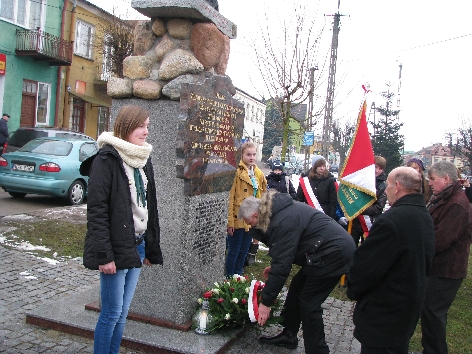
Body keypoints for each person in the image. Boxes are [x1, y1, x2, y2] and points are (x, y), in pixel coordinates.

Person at [81, 105, 163, 354]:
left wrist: (150, 247)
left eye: (148, 126)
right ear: (126, 126)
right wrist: (104, 256)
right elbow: (97, 212)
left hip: (136, 245)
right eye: (141, 126)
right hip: (114, 249)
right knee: (111, 312)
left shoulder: (142, 159)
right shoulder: (106, 160)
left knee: (123, 312)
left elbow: (150, 208)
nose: (146, 131)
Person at [239, 190, 355, 353]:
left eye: (250, 223)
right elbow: (287, 250)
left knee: (309, 303)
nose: (250, 227)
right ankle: (289, 335)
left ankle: (318, 350)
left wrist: (266, 302)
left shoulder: (281, 221)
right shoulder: (276, 212)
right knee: (296, 287)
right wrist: (277, 265)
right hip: (323, 250)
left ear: (256, 215)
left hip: (334, 254)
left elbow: (282, 266)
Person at [347, 167, 435, 354]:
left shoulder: (391, 221)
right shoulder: (423, 215)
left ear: (397, 186)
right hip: (408, 305)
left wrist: (353, 289)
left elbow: (366, 267)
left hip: (384, 312)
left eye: (387, 185)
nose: (385, 190)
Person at [421, 161, 472, 354]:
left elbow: (440, 240)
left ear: (446, 178)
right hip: (439, 268)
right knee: (430, 314)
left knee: (433, 316)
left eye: (432, 179)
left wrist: (419, 245)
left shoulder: (456, 203)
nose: (430, 183)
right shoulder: (445, 198)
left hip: (446, 271)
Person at [226, 141, 267, 275]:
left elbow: (262, 196)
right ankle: (230, 278)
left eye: (254, 154)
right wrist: (230, 221)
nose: (252, 157)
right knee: (234, 250)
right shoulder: (236, 172)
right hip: (239, 216)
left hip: (252, 217)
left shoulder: (258, 173)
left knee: (244, 250)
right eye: (248, 154)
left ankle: (239, 276)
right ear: (242, 155)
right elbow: (231, 198)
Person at [349, 155, 387, 246]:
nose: (376, 170)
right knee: (351, 246)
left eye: (380, 168)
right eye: (375, 167)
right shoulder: (360, 181)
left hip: (370, 222)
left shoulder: (383, 186)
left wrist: (361, 209)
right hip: (355, 220)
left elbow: (379, 207)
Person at [296, 154, 337, 219]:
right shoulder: (305, 180)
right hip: (308, 215)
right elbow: (299, 200)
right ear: (314, 167)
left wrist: (332, 218)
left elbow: (333, 201)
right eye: (319, 166)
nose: (322, 168)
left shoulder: (330, 180)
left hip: (325, 215)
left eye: (323, 166)